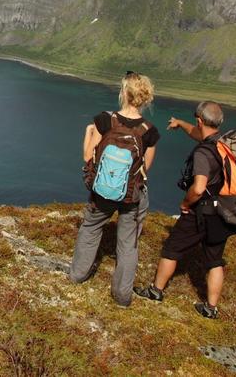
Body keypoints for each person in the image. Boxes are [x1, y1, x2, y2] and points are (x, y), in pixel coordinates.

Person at [133, 100, 236, 319]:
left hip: (202, 212)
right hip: (224, 211)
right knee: (215, 260)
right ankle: (210, 308)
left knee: (171, 248)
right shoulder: (224, 142)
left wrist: (185, 203)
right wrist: (180, 124)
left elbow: (199, 188)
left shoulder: (203, 153)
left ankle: (156, 291)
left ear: (200, 120)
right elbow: (199, 133)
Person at [68, 71, 160, 307]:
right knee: (128, 244)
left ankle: (77, 275)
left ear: (123, 94)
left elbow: (88, 156)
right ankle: (121, 296)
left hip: (102, 191)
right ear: (145, 98)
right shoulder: (149, 132)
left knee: (91, 228)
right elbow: (145, 169)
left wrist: (88, 132)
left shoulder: (104, 120)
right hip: (131, 195)